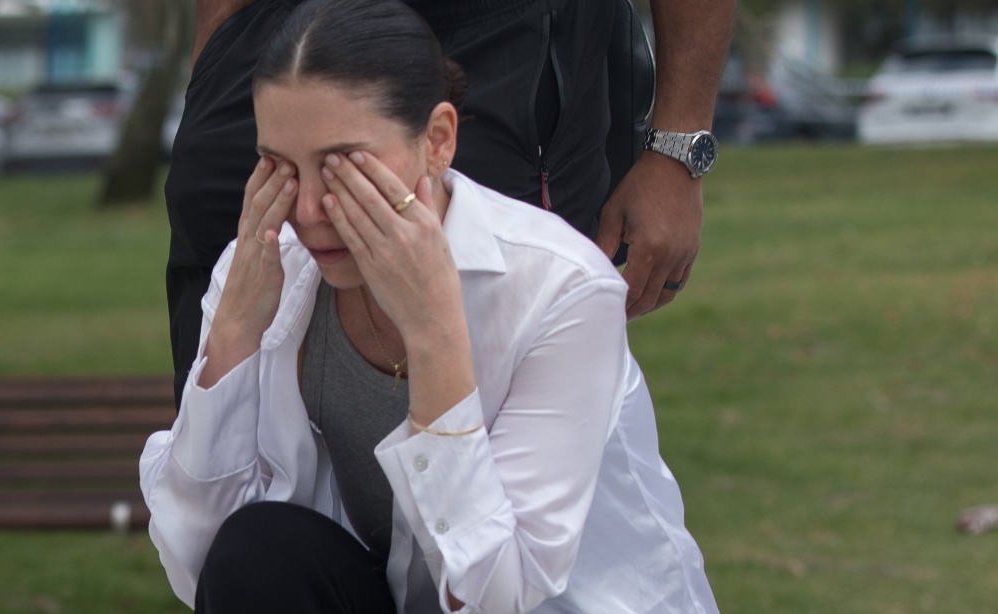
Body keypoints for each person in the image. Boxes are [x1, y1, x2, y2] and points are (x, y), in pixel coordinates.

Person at [138, 0, 744, 614]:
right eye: (277, 168)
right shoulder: (265, 270)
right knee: (258, 568)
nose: (306, 208)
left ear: (437, 140)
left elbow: (492, 592)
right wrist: (229, 350)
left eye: (343, 165)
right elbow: (199, 568)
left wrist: (432, 339)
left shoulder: (553, 288)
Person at [166, 0, 733, 398]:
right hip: (265, 42)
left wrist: (680, 146)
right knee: (228, 447)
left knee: (482, 424)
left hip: (500, 43)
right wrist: (214, 59)